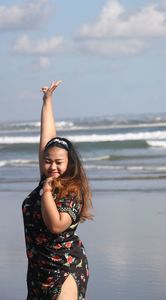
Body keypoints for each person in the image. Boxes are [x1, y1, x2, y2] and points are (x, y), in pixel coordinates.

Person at [22, 80, 93, 300]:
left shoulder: (72, 190)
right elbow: (47, 138)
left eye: (58, 162)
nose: (53, 166)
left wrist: (45, 192)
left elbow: (56, 225)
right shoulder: (48, 178)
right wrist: (47, 101)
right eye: (47, 161)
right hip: (38, 270)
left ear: (69, 163)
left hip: (65, 268)